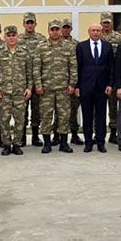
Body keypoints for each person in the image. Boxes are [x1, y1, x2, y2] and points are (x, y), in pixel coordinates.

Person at [34, 20, 77, 153]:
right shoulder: (41, 47)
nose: (55, 32)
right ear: (48, 31)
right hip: (46, 89)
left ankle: (64, 143)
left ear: (60, 31)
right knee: (46, 115)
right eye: (52, 29)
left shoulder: (68, 46)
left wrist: (72, 84)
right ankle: (47, 143)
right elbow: (36, 68)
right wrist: (38, 85)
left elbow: (73, 67)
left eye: (57, 29)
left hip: (63, 88)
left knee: (64, 116)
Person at [0, 26, 33, 155]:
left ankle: (17, 144)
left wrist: (29, 88)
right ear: (5, 37)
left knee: (20, 120)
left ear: (17, 37)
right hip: (4, 93)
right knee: (4, 120)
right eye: (9, 35)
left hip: (20, 93)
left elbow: (30, 73)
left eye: (14, 35)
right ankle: (7, 144)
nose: (11, 38)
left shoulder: (24, 52)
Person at [75, 23, 115, 152]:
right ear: (89, 32)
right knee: (87, 116)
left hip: (102, 87)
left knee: (101, 116)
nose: (96, 32)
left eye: (98, 30)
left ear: (102, 32)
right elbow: (78, 68)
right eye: (93, 30)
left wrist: (110, 84)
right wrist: (77, 86)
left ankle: (100, 141)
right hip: (86, 87)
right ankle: (88, 142)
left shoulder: (108, 46)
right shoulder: (81, 47)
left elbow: (111, 67)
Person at [19, 12, 46, 147]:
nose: (29, 25)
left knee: (36, 109)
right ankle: (22, 136)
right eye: (27, 22)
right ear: (23, 24)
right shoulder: (18, 39)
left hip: (38, 80)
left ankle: (35, 136)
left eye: (31, 22)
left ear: (35, 24)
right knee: (22, 109)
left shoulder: (41, 39)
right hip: (22, 80)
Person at [100, 13, 121, 144]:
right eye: (104, 22)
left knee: (113, 106)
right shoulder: (97, 36)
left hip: (113, 76)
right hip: (100, 77)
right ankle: (98, 133)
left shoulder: (119, 38)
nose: (106, 25)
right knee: (99, 107)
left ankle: (113, 132)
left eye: (108, 22)